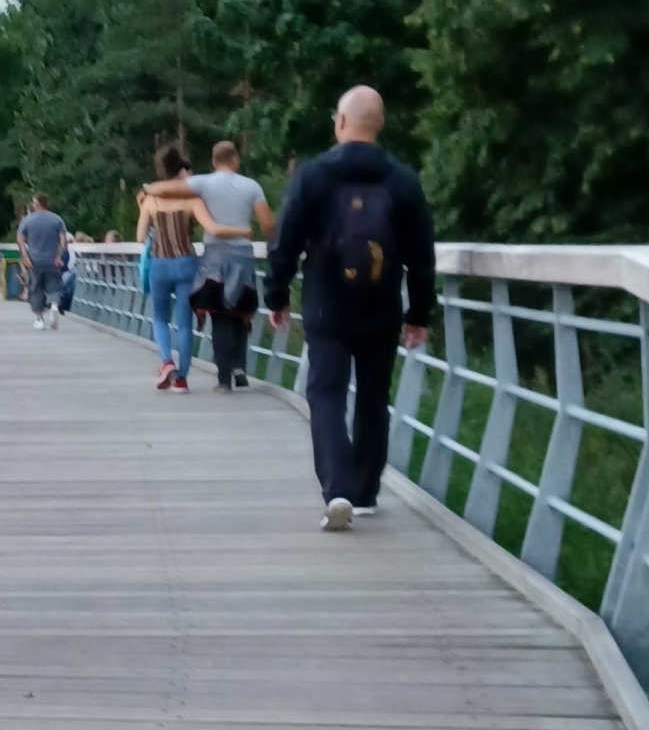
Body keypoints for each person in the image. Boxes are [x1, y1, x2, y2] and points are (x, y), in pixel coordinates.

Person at [265, 85, 436, 532]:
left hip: (326, 304)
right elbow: (421, 255)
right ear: (378, 125)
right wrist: (419, 314)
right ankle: (364, 492)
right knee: (374, 397)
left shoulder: (314, 175)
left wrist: (277, 296)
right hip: (382, 307)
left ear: (341, 123)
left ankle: (336, 488)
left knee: (325, 393)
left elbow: (285, 241)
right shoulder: (403, 180)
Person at [145, 140, 277, 393]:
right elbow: (268, 223)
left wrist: (148, 188)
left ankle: (224, 379)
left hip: (214, 255)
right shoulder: (252, 186)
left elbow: (163, 189)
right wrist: (274, 246)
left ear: (214, 162)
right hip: (242, 255)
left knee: (218, 313)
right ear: (235, 160)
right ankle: (240, 366)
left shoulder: (202, 182)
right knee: (240, 309)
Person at [16, 193, 67, 331]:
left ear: (37, 204)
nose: (32, 204)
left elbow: (20, 240)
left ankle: (39, 319)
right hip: (52, 261)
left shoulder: (27, 220)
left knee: (35, 289)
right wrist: (59, 256)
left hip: (34, 261)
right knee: (54, 286)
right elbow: (63, 240)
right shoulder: (57, 219)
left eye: (33, 202)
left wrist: (25, 257)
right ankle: (54, 306)